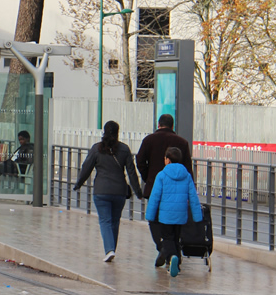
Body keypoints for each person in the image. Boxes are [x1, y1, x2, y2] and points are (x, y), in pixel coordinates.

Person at [73, 121, 143, 262]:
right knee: (115, 221)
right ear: (118, 132)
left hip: (101, 191)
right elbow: (131, 172)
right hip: (119, 192)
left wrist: (78, 184)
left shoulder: (97, 148)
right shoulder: (124, 149)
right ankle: (112, 249)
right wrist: (138, 191)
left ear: (104, 131)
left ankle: (109, 250)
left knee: (105, 220)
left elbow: (86, 167)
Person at [136, 113, 193, 266]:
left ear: (159, 124)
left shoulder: (149, 140)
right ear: (172, 126)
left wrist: (147, 177)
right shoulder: (182, 142)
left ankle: (163, 248)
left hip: (154, 187)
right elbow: (188, 168)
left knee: (154, 220)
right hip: (177, 192)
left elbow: (140, 160)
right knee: (175, 225)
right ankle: (174, 253)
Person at [145, 146, 203, 277]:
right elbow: (193, 197)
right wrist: (197, 216)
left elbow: (155, 197)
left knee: (167, 238)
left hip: (166, 215)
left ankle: (172, 258)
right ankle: (177, 264)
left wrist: (150, 215)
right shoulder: (187, 175)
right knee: (176, 238)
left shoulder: (162, 175)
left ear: (167, 160)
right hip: (181, 215)